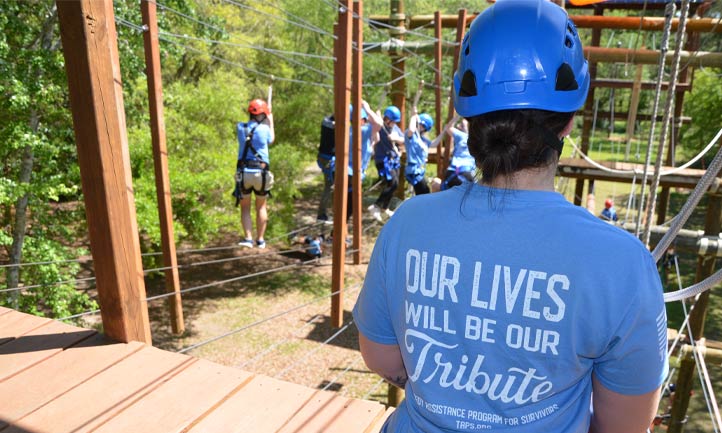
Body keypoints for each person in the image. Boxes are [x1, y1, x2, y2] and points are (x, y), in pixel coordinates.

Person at [353, 1, 668, 433]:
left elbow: (381, 356)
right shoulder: (623, 264)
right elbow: (626, 426)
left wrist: (441, 395)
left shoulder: (408, 222)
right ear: (570, 121)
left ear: (469, 116)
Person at [235, 98, 274, 249]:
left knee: (245, 207)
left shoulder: (240, 127)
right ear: (263, 114)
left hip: (243, 173)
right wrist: (271, 119)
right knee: (261, 206)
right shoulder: (265, 129)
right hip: (261, 173)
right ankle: (261, 240)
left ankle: (248, 238)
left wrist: (266, 117)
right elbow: (271, 139)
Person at [369, 105, 405, 222]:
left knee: (395, 184)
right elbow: (375, 120)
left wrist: (396, 138)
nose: (394, 124)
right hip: (382, 160)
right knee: (392, 182)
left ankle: (385, 207)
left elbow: (404, 139)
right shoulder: (380, 126)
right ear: (387, 119)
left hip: (393, 159)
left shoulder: (395, 129)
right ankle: (376, 206)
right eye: (392, 121)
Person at [404, 109, 436, 196]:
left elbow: (434, 144)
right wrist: (414, 116)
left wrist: (444, 130)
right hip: (413, 171)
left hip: (419, 170)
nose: (421, 127)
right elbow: (411, 129)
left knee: (423, 192)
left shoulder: (422, 140)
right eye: (420, 125)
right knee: (424, 192)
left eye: (423, 126)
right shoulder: (410, 135)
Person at [441, 118, 476, 191]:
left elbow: (448, 127)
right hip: (461, 171)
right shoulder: (464, 136)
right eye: (460, 125)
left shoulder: (466, 136)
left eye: (462, 125)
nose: (459, 126)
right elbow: (448, 127)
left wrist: (458, 116)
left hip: (458, 171)